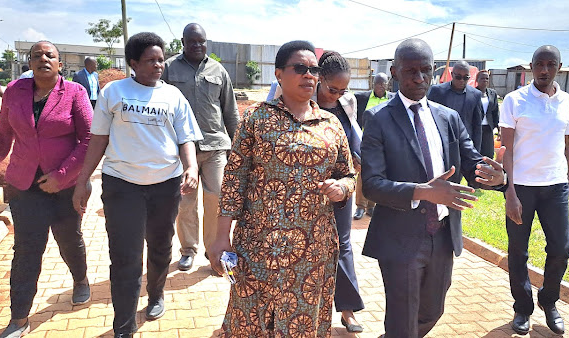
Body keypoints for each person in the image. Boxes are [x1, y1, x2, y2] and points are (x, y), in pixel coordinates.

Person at [208, 40, 356, 336]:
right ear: (278, 74)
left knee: (301, 320)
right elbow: (234, 181)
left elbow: (349, 174)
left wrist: (341, 187)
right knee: (252, 318)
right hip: (259, 245)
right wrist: (220, 237)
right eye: (299, 68)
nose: (309, 75)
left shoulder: (331, 124)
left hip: (312, 248)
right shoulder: (255, 119)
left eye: (314, 70)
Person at [360, 38, 507, 338]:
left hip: (441, 234)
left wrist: (496, 178)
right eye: (410, 71)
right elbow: (373, 185)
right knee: (403, 320)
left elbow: (471, 163)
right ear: (394, 72)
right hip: (400, 236)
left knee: (432, 310)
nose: (419, 78)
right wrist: (423, 191)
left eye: (425, 70)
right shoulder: (378, 119)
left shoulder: (447, 117)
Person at [72, 32, 201, 338]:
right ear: (133, 63)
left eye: (161, 59)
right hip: (122, 186)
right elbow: (98, 139)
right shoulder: (114, 92)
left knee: (159, 248)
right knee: (125, 256)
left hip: (164, 186)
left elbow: (186, 138)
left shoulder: (173, 96)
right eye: (151, 60)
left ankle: (155, 295)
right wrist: (83, 182)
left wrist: (192, 167)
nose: (159, 65)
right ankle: (124, 326)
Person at [0, 40, 92, 338]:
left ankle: (80, 280)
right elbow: (2, 136)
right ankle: (19, 319)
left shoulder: (75, 93)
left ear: (59, 64)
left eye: (49, 55)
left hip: (64, 187)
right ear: (29, 63)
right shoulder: (15, 92)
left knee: (69, 239)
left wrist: (63, 174)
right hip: (24, 185)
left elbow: (89, 140)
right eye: (36, 55)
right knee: (27, 250)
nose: (43, 58)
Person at [499, 45, 569, 335]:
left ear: (559, 67)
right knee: (519, 250)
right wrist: (510, 192)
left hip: (556, 187)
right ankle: (522, 308)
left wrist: (568, 180)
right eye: (539, 64)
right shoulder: (515, 100)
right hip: (523, 188)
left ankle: (549, 300)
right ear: (531, 67)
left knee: (561, 249)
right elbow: (506, 151)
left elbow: (565, 145)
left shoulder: (567, 101)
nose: (544, 70)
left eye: (550, 64)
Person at [162, 23, 239, 272]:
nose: (197, 45)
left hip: (215, 146)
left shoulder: (218, 70)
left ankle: (213, 250)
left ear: (207, 42)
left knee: (216, 199)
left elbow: (230, 111)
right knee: (185, 202)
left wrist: (236, 146)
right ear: (183, 42)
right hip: (182, 148)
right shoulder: (169, 69)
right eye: (192, 41)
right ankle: (188, 250)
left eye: (201, 41)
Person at [314, 50, 365, 333]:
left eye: (343, 90)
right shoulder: (303, 101)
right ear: (320, 79)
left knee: (342, 242)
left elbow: (352, 134)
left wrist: (356, 157)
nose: (337, 95)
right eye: (333, 89)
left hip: (342, 183)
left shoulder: (347, 101)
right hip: (308, 187)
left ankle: (347, 310)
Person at [353, 72, 393, 219]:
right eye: (377, 83)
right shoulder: (361, 98)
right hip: (365, 142)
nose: (380, 87)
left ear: (387, 84)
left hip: (384, 142)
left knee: (378, 173)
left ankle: (372, 206)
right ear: (372, 84)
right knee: (363, 173)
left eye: (383, 84)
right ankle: (360, 207)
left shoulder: (393, 98)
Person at [427, 61, 484, 152]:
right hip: (442, 143)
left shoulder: (475, 95)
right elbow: (428, 118)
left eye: (466, 78)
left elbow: (477, 125)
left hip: (465, 145)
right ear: (452, 74)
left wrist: (476, 152)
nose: (462, 80)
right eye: (458, 77)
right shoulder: (437, 91)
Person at [475, 70, 500, 159]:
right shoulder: (472, 93)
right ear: (477, 80)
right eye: (482, 78)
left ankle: (486, 171)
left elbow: (495, 111)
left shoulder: (492, 93)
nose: (485, 80)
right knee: (477, 152)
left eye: (487, 78)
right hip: (476, 127)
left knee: (488, 153)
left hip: (488, 128)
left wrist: (498, 127)